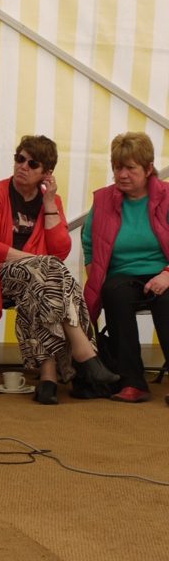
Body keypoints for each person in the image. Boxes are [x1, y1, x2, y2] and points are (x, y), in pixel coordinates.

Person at [0, 135, 118, 404]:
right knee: (51, 272)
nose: (23, 166)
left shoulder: (50, 202)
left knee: (45, 285)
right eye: (20, 159)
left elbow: (60, 249)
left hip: (38, 282)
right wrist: (33, 260)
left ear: (47, 173)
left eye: (33, 164)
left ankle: (48, 379)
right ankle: (86, 356)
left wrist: (50, 204)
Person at [82, 132, 169, 403]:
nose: (122, 174)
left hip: (163, 271)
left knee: (167, 301)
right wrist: (95, 275)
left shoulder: (167, 197)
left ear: (148, 169)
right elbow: (88, 244)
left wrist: (166, 275)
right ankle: (133, 382)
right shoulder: (104, 200)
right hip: (123, 274)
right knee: (114, 293)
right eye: (118, 167)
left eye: (130, 168)